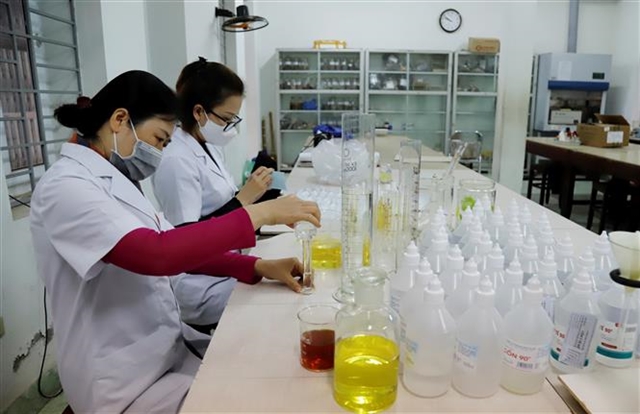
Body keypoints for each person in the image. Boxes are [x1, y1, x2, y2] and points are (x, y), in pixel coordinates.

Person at [29, 70, 320, 413]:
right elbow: (157, 254)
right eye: (159, 139)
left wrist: (258, 266)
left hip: (161, 352)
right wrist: (259, 213)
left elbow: (175, 243)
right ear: (120, 120)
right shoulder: (65, 187)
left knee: (269, 366)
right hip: (122, 382)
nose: (159, 153)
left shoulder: (115, 180)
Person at [151, 58, 278, 330]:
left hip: (226, 260)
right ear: (199, 112)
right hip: (199, 282)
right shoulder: (176, 160)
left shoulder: (207, 145)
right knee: (273, 303)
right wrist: (244, 199)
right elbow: (187, 243)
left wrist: (258, 195)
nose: (232, 127)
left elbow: (221, 204)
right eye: (227, 119)